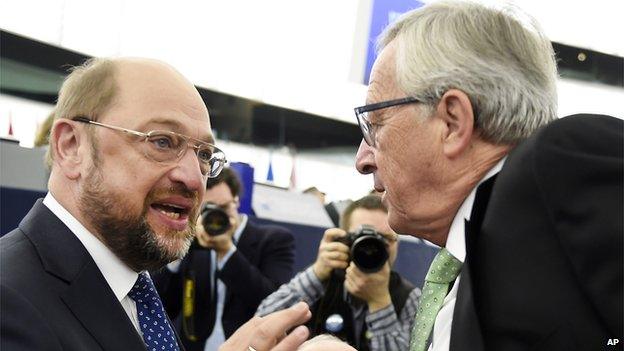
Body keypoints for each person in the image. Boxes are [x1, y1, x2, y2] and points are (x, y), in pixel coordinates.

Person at [353, 1, 623, 351]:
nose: (362, 159)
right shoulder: (468, 269)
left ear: (452, 122)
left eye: (375, 124)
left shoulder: (561, 172)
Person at [0, 57, 309, 351]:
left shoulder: (136, 288)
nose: (193, 178)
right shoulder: (9, 300)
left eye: (203, 154)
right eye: (162, 141)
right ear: (71, 147)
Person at [153, 167, 296, 350]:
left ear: (236, 201)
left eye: (223, 208)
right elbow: (163, 307)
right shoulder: (193, 242)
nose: (216, 216)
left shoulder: (274, 240)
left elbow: (273, 301)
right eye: (207, 209)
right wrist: (175, 254)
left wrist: (227, 252)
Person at [257, 195, 421, 351]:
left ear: (397, 243)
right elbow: (261, 325)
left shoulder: (409, 297)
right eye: (362, 236)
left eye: (384, 238)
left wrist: (380, 302)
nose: (372, 246)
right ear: (343, 237)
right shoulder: (323, 279)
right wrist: (316, 273)